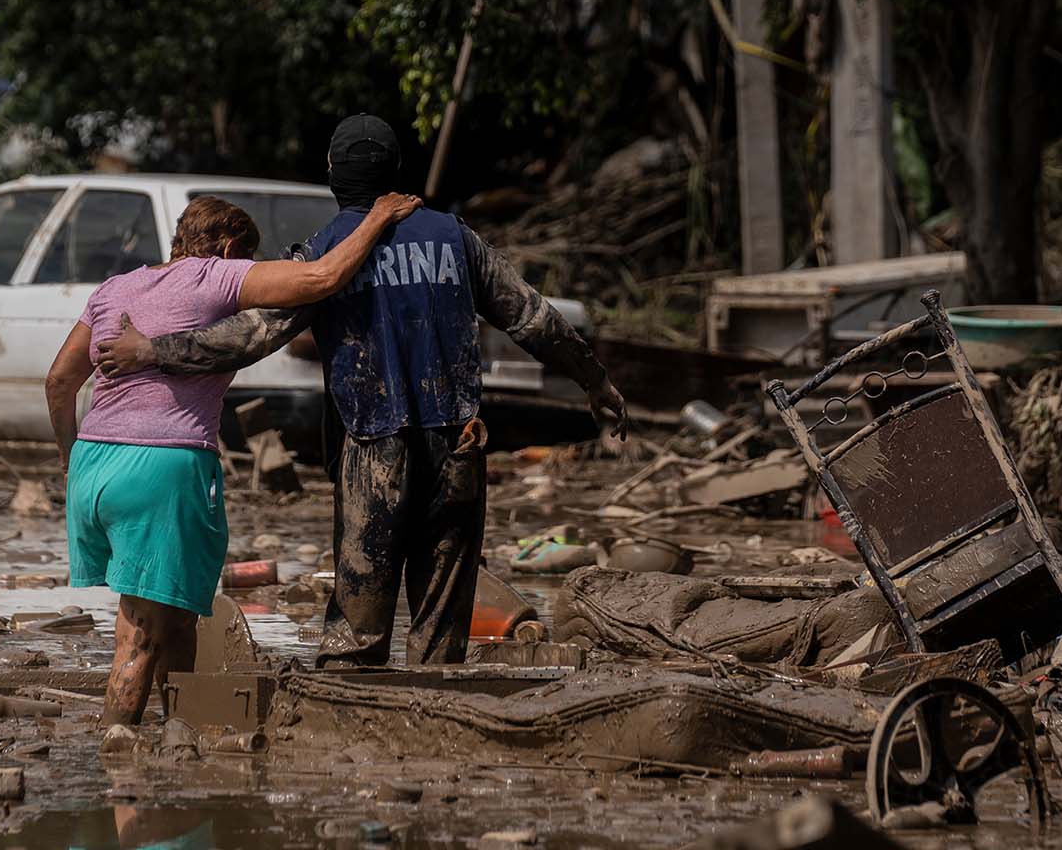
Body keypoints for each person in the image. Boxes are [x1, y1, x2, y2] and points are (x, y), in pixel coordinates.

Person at [97, 114, 627, 669]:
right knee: (441, 622)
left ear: (334, 174)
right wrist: (595, 381)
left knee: (356, 630)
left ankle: (349, 713)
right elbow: (533, 319)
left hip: (372, 447)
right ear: (395, 171)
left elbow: (252, 336)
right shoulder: (456, 238)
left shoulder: (327, 252)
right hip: (458, 445)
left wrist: (155, 350)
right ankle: (440, 710)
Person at [44, 191, 420, 726]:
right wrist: (379, 216)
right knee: (139, 634)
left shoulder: (115, 287)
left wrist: (71, 460)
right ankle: (116, 756)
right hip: (162, 466)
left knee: (178, 616)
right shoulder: (216, 277)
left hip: (94, 465)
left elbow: (59, 382)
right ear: (227, 247)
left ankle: (181, 732)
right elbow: (321, 278)